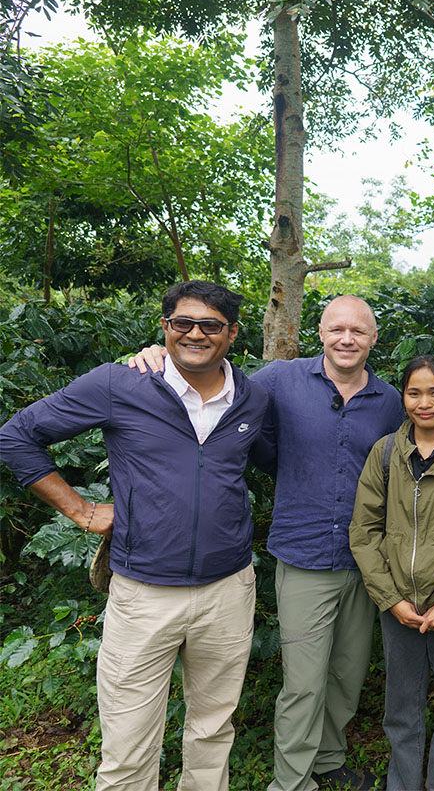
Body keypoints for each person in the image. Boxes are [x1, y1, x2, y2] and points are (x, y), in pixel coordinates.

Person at [0, 280, 267, 791]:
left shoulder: (252, 398)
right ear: (164, 327)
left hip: (228, 589)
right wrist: (79, 509)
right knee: (127, 741)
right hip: (143, 592)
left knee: (213, 728)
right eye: (181, 323)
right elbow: (17, 436)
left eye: (210, 325)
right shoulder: (119, 384)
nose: (195, 334)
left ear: (232, 333)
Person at [131, 295, 402, 791]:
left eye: (358, 332)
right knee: (303, 681)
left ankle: (328, 759)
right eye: (337, 329)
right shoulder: (279, 380)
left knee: (346, 674)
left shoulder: (389, 401)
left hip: (366, 559)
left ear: (373, 339)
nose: (347, 339)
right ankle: (291, 782)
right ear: (320, 332)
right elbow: (210, 378)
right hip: (302, 554)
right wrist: (157, 356)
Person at [349, 355, 434, 791]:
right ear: (402, 396)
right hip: (399, 605)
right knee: (402, 707)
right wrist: (391, 600)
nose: (424, 403)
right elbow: (364, 532)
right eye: (414, 392)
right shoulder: (386, 451)